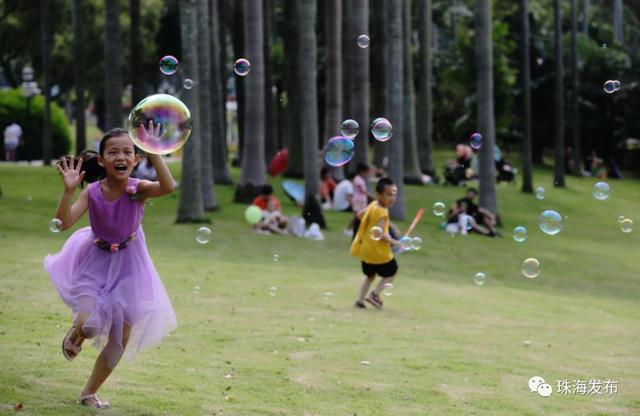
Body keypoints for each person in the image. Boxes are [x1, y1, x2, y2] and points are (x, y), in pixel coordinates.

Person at [43, 125, 177, 409]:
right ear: (102, 160)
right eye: (113, 151)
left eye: (128, 152)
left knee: (120, 336)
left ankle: (89, 392)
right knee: (90, 327)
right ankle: (78, 332)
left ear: (136, 159)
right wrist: (67, 192)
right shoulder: (92, 192)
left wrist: (155, 152)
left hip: (130, 264)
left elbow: (167, 187)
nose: (121, 156)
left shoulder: (136, 190)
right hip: (95, 260)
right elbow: (63, 223)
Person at [350, 177, 402, 309]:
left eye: (394, 194)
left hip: (366, 250)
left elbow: (360, 215)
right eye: (389, 195)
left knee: (370, 276)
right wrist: (395, 242)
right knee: (392, 271)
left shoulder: (373, 205)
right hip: (378, 252)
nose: (392, 198)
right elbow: (379, 234)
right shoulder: (383, 211)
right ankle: (375, 294)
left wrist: (389, 226)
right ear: (379, 195)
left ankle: (359, 301)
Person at [351, 163, 373, 238]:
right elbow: (361, 190)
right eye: (366, 172)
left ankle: (357, 231)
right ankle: (353, 231)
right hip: (358, 200)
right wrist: (370, 196)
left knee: (360, 216)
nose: (367, 174)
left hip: (362, 201)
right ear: (362, 171)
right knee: (357, 216)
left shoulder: (361, 179)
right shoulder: (357, 179)